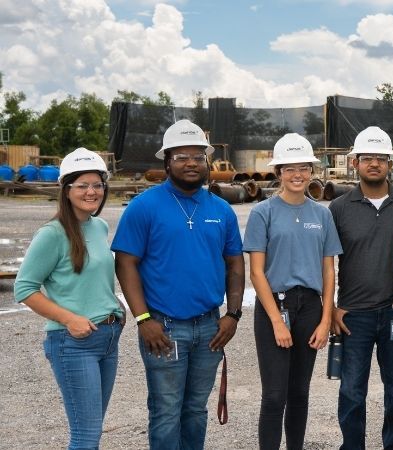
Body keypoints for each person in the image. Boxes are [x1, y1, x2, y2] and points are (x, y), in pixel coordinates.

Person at [112, 119, 245, 450]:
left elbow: (235, 263)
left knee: (195, 410)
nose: (191, 163)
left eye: (198, 157)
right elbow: (125, 263)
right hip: (163, 327)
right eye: (182, 156)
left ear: (206, 162)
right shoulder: (144, 206)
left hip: (210, 327)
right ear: (167, 161)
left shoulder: (221, 209)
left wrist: (233, 314)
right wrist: (144, 319)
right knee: (166, 411)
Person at [15, 148, 125, 449]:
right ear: (66, 189)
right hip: (72, 342)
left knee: (92, 431)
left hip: (107, 337)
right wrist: (69, 318)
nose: (92, 192)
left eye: (98, 185)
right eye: (83, 185)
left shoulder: (98, 226)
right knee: (85, 435)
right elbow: (24, 288)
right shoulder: (51, 234)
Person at [244, 133, 341, 449]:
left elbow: (328, 271)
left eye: (304, 167)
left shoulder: (322, 214)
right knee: (275, 394)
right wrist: (275, 320)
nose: (298, 174)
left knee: (299, 393)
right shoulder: (263, 212)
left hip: (310, 307)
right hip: (276, 306)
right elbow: (257, 272)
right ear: (279, 172)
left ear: (312, 171)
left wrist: (326, 320)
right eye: (289, 168)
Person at [329, 126, 393, 450]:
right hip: (354, 316)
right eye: (367, 158)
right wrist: (332, 309)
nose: (374, 164)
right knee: (352, 390)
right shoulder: (338, 209)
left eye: (381, 158)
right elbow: (328, 264)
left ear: (390, 163)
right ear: (355, 163)